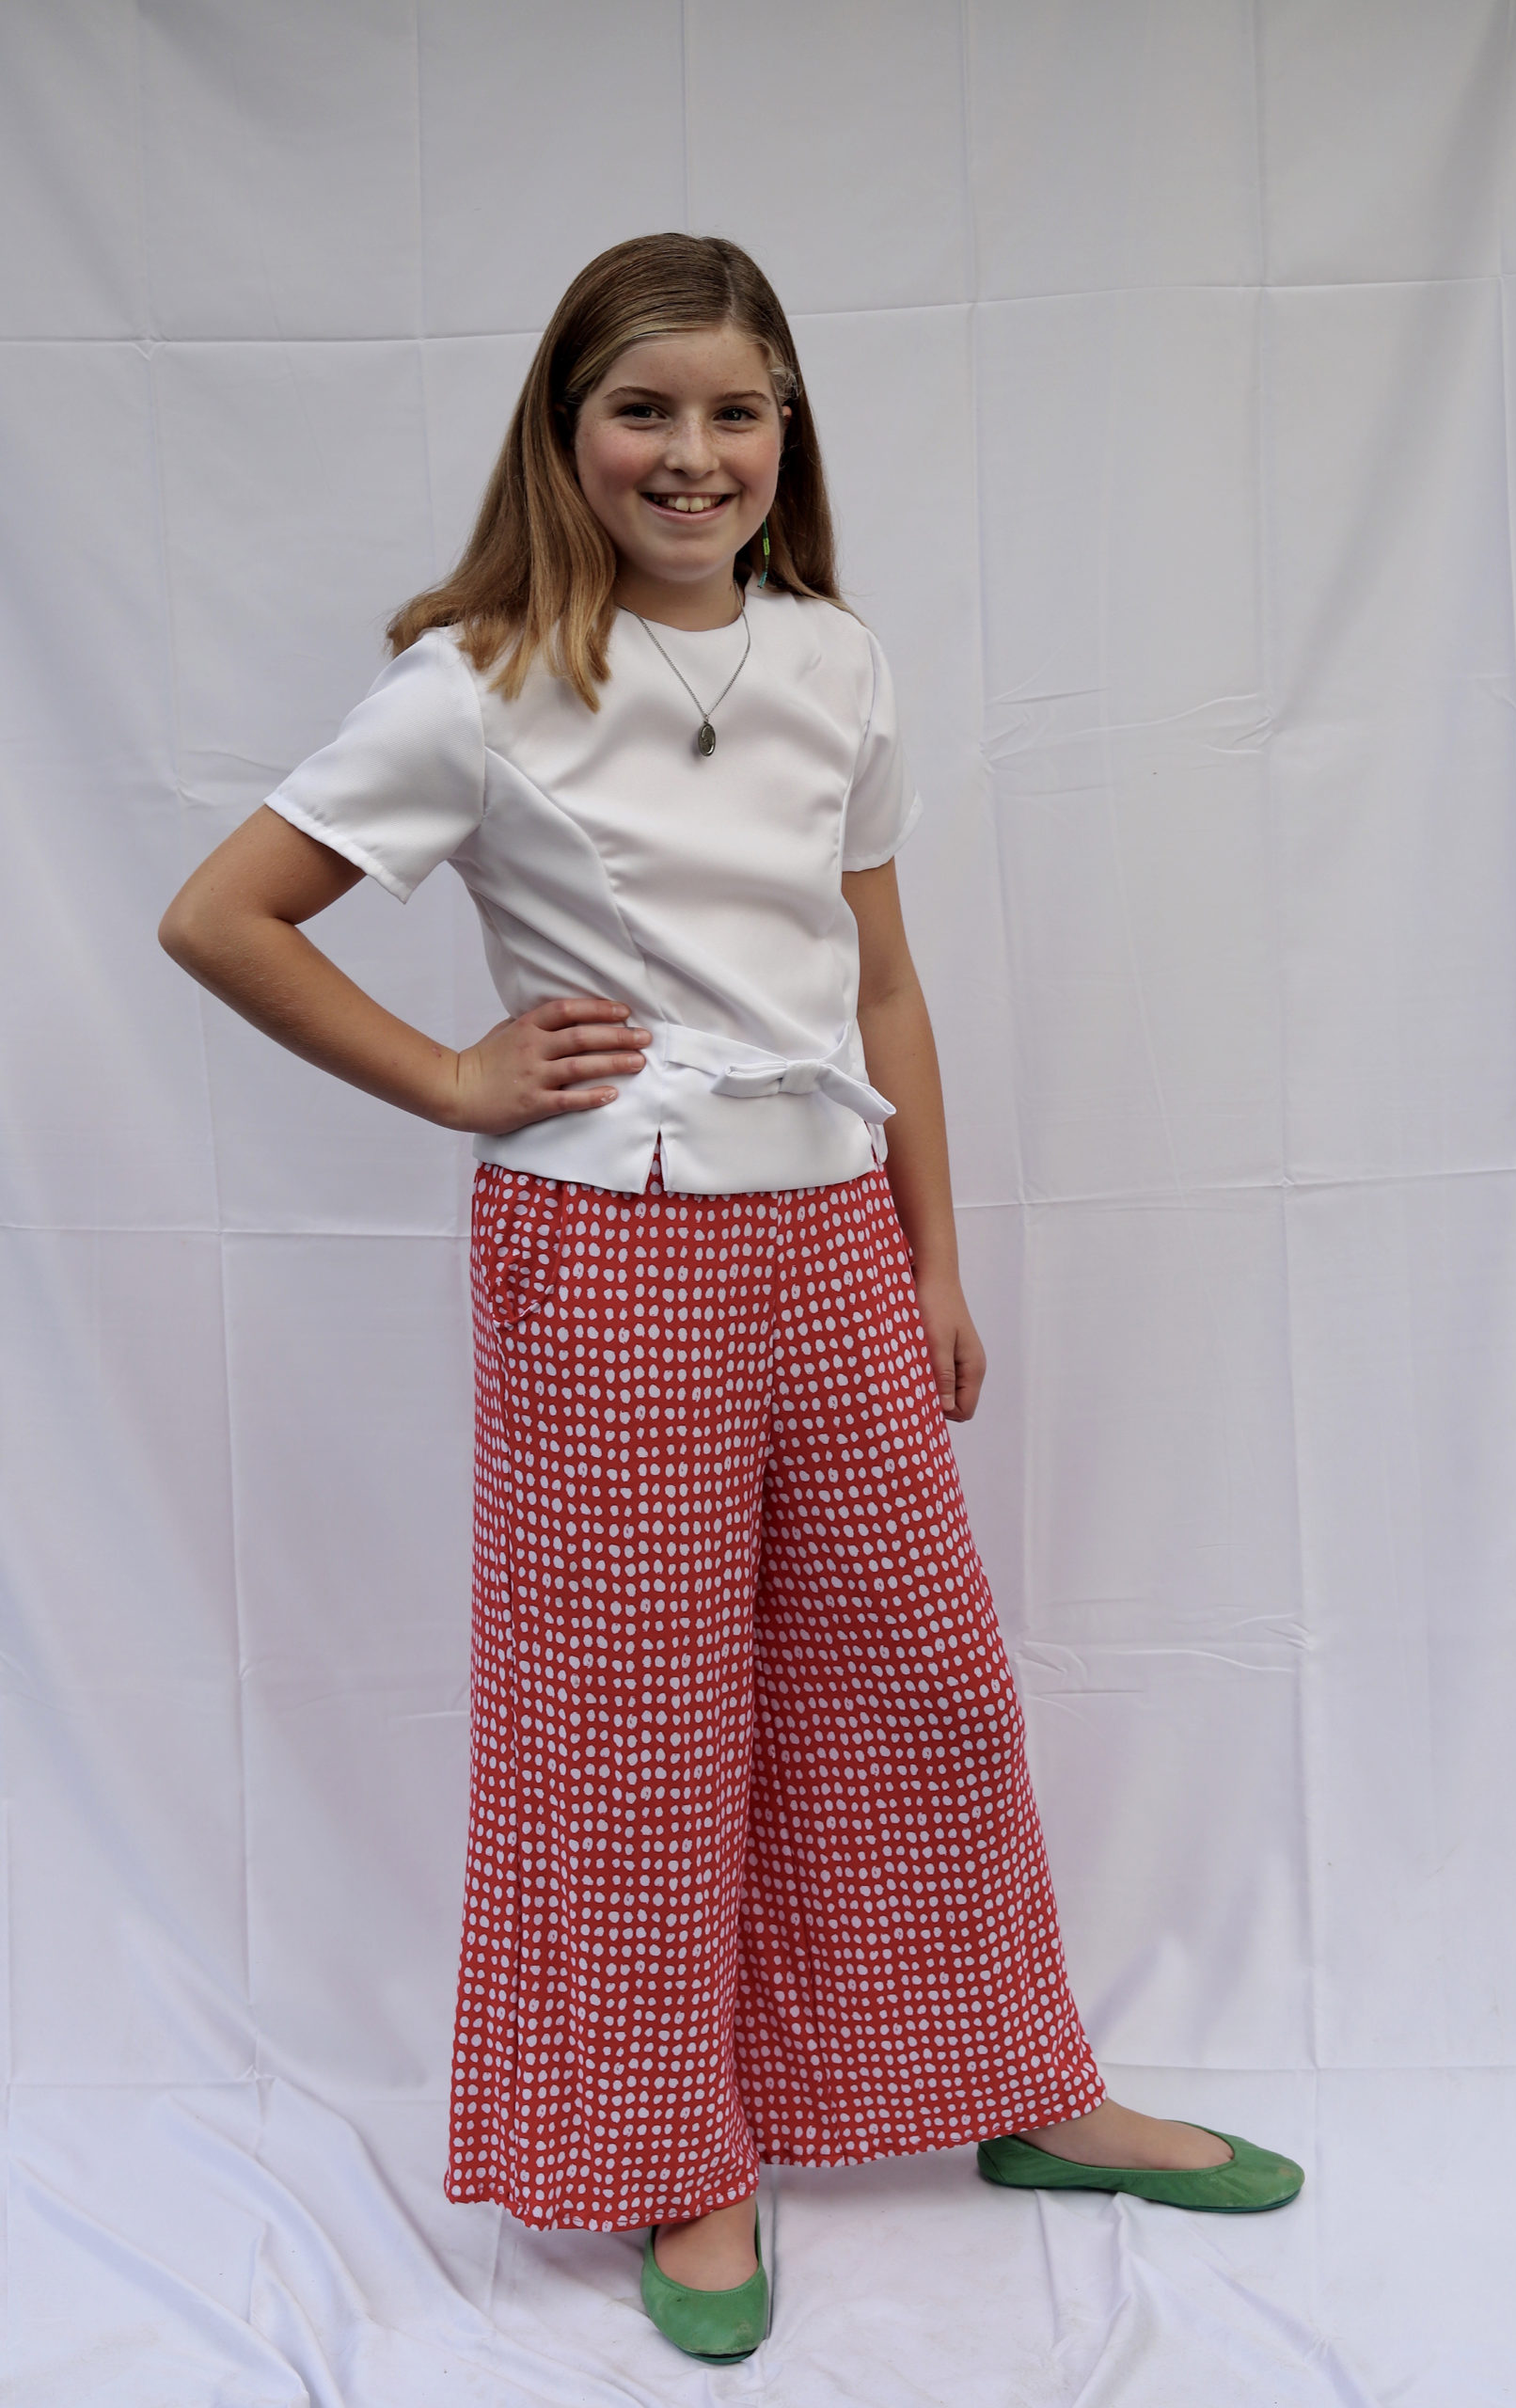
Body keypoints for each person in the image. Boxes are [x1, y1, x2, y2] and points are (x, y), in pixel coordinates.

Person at [159, 231, 1302, 2368]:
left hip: (829, 1225)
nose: (693, 454)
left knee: (929, 1674)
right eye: (645, 410)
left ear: (787, 433)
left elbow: (877, 977)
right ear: (566, 432)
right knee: (637, 1722)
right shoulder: (476, 685)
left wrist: (930, 1250)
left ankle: (1022, 2085)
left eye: (735, 412)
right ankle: (679, 2150)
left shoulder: (831, 661)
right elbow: (222, 911)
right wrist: (450, 1075)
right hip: (613, 1239)